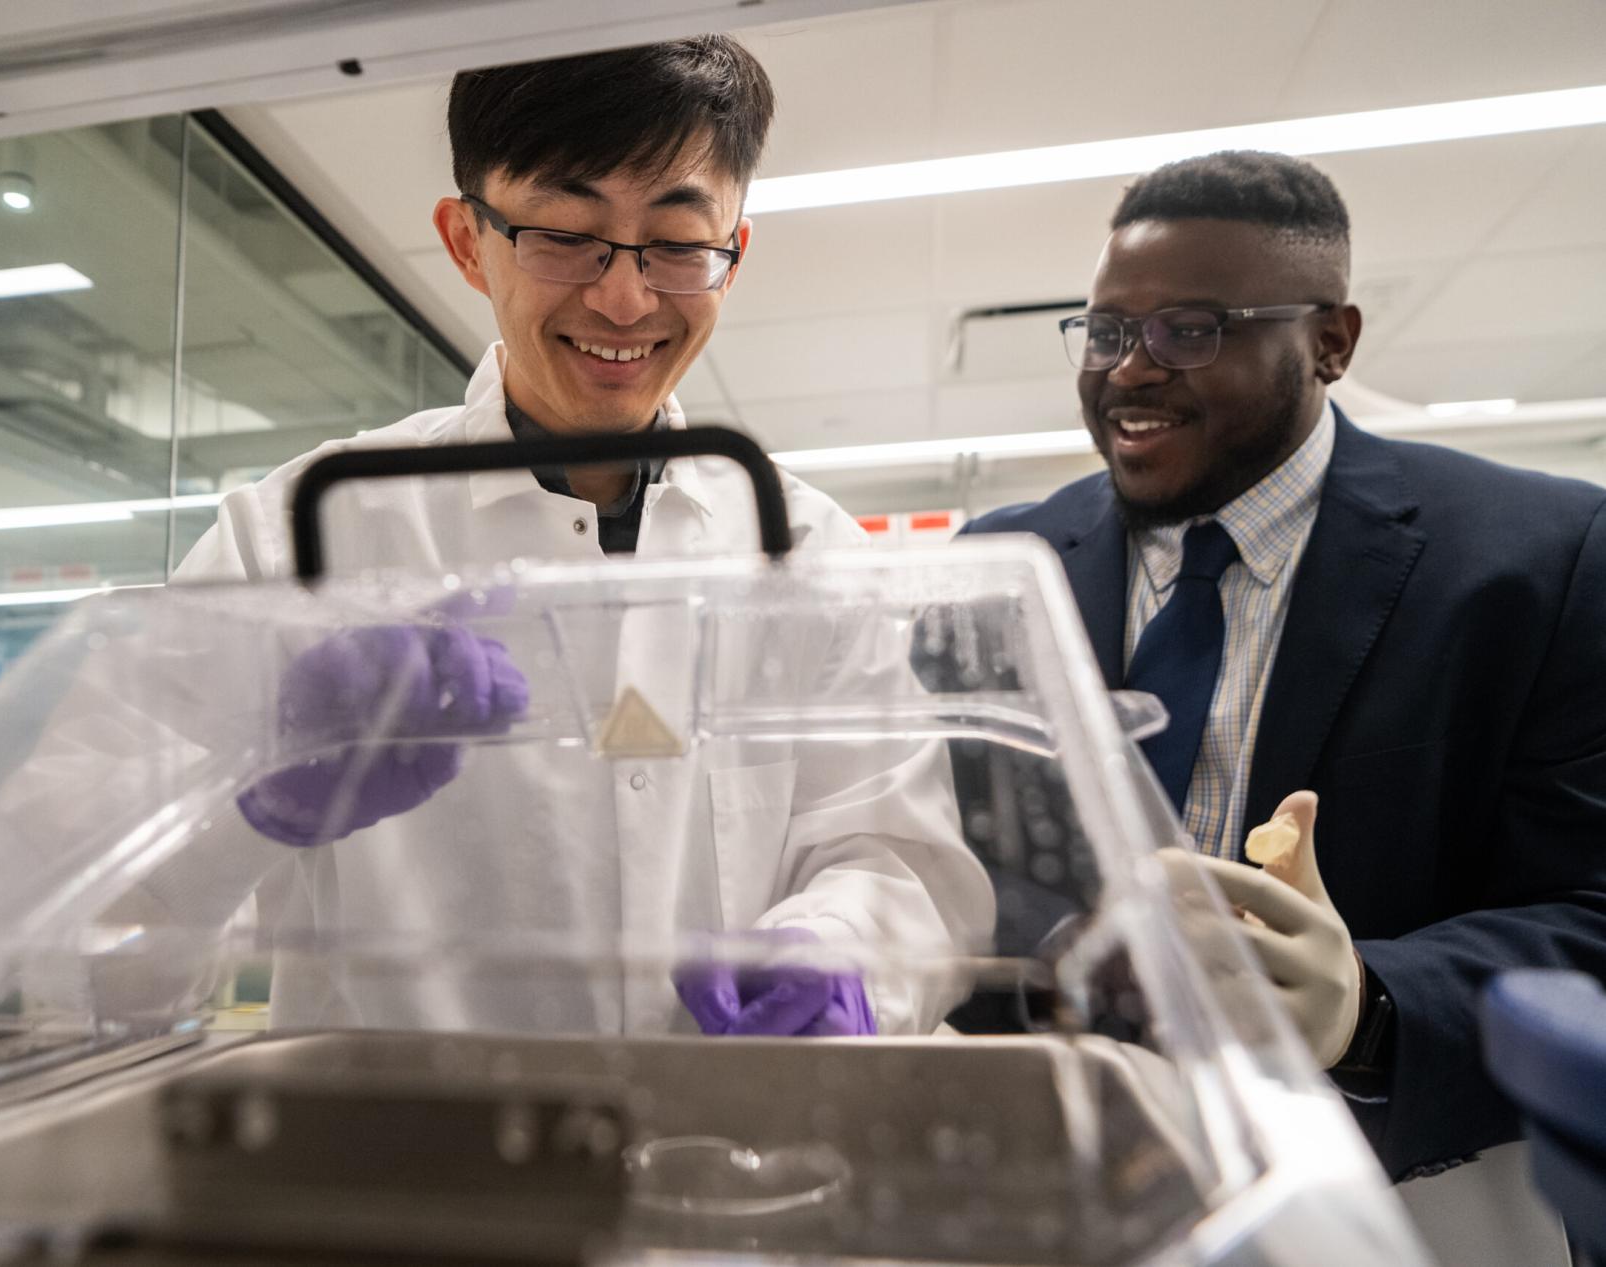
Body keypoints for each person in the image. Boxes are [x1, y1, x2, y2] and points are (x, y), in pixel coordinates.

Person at [161, 38, 993, 1038]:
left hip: (733, 1124)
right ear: (466, 241)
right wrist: (253, 806)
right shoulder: (294, 542)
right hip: (396, 1130)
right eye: (565, 233)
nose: (625, 299)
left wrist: (837, 951)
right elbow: (96, 945)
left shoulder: (811, 554)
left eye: (677, 242)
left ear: (733, 254)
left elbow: (898, 858)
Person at [954, 149, 1606, 1180]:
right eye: (1108, 331)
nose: (1129, 369)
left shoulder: (1539, 561)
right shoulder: (999, 567)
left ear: (1330, 341)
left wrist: (1370, 1004)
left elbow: (1586, 915)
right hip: (1058, 1168)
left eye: (1190, 330)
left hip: (1384, 1189)